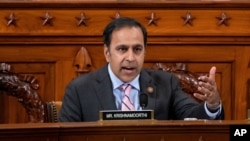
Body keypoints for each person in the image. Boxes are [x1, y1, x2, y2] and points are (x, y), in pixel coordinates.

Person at [59, 17, 224, 122]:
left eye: (137, 49)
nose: (131, 58)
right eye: (122, 49)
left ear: (145, 51)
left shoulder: (166, 83)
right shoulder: (79, 90)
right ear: (107, 53)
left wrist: (212, 105)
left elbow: (191, 115)